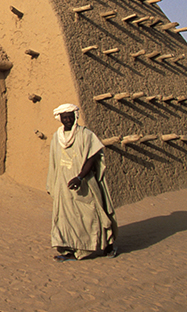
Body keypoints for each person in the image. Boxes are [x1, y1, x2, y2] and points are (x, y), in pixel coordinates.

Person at [46, 103, 118, 261]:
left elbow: (92, 157)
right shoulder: (56, 137)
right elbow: (53, 162)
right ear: (60, 119)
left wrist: (80, 177)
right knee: (66, 217)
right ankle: (70, 250)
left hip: (84, 182)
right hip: (63, 184)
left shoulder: (86, 135)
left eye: (70, 117)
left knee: (93, 214)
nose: (68, 120)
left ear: (75, 117)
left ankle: (107, 246)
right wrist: (53, 183)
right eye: (65, 117)